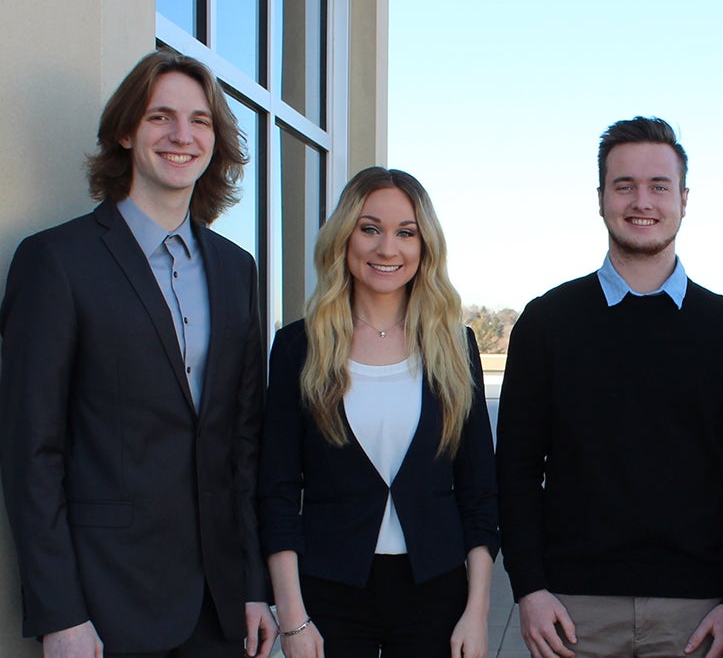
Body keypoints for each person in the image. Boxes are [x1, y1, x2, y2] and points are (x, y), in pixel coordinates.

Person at [0, 49, 275, 657]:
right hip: (104, 606)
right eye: (161, 117)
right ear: (126, 131)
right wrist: (60, 612)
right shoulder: (56, 263)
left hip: (219, 606)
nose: (183, 135)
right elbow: (30, 453)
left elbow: (242, 446)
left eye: (201, 120)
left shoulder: (236, 269)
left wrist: (255, 585)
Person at [496, 116, 723, 658]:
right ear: (600, 198)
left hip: (701, 612)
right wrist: (529, 589)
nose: (643, 201)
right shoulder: (547, 324)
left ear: (684, 198)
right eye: (625, 185)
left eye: (660, 186)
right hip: (572, 610)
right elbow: (516, 470)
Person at [259, 167, 499, 658]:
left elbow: (479, 496)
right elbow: (277, 492)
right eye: (370, 229)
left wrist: (477, 614)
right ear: (344, 237)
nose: (387, 249)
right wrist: (292, 619)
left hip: (437, 594)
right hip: (329, 595)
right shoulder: (297, 347)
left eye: (405, 233)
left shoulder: (455, 346)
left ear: (424, 245)